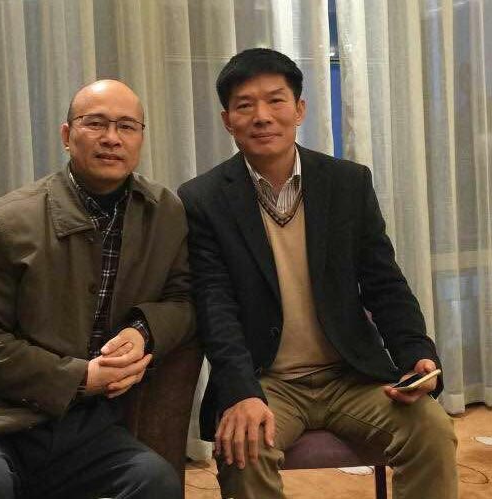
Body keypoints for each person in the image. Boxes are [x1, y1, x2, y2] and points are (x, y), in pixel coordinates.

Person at [178, 48, 457, 499]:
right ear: (228, 120)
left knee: (430, 429)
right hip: (266, 381)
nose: (262, 116)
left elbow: (384, 282)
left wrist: (416, 354)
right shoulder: (202, 199)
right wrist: (240, 392)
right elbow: (215, 306)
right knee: (245, 448)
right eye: (245, 105)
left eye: (276, 100)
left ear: (300, 109)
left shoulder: (347, 183)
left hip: (351, 376)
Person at [0, 80, 193, 499]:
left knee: (156, 483)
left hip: (83, 424)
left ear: (141, 138)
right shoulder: (7, 222)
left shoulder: (163, 213)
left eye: (127, 126)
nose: (112, 138)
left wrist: (143, 330)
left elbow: (183, 298)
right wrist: (80, 378)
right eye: (95, 123)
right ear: (66, 135)